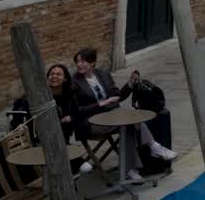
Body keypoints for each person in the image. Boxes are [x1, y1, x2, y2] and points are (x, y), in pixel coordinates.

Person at [70, 48, 176, 181]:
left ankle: (131, 168)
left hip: (112, 116)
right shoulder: (74, 82)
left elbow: (116, 97)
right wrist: (101, 104)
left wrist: (130, 84)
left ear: (92, 62)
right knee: (127, 123)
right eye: (77, 62)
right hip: (90, 123)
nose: (79, 64)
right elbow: (76, 110)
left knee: (128, 124)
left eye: (83, 61)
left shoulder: (102, 74)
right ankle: (153, 147)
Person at [46, 64, 94, 176]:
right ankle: (77, 163)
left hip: (63, 134)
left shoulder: (70, 95)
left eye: (58, 74)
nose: (54, 76)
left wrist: (71, 117)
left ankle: (74, 165)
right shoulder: (42, 96)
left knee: (61, 144)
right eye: (52, 74)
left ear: (65, 79)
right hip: (46, 136)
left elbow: (80, 113)